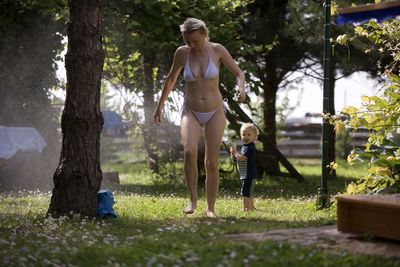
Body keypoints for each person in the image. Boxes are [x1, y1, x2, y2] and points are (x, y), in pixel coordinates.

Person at [153, 17, 246, 218]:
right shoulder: (182, 53)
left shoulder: (217, 50)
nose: (191, 45)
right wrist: (159, 106)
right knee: (189, 152)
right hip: (191, 110)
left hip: (214, 111)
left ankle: (210, 208)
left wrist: (242, 89)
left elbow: (239, 72)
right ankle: (192, 200)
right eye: (187, 41)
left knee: (211, 162)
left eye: (194, 40)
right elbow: (170, 80)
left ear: (203, 34)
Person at [230, 123, 258, 211]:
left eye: (249, 135)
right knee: (248, 192)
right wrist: (234, 155)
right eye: (243, 134)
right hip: (247, 174)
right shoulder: (245, 146)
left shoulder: (249, 148)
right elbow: (239, 158)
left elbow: (242, 158)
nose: (246, 136)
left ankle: (246, 209)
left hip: (248, 174)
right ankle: (251, 208)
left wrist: (235, 153)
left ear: (254, 137)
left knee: (245, 193)